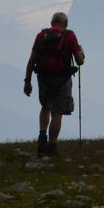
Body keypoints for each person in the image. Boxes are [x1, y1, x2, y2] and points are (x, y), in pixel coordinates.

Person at [23, 12, 84, 157]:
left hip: (43, 78)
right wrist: (81, 51)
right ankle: (52, 146)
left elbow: (31, 61)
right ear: (66, 24)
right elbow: (79, 61)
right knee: (57, 113)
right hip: (62, 80)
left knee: (45, 107)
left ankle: (42, 135)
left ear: (51, 23)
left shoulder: (41, 36)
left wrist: (27, 82)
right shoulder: (70, 36)